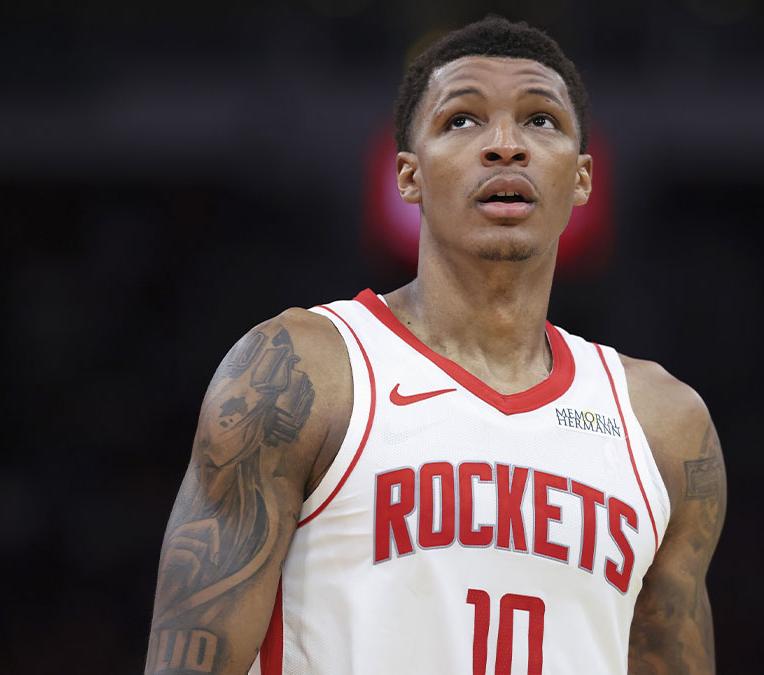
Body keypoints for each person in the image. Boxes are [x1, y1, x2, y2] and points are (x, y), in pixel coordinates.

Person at [144, 15, 726, 675]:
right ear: (409, 177)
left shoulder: (664, 424)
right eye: (462, 120)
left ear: (582, 178)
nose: (505, 145)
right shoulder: (302, 372)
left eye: (540, 120)